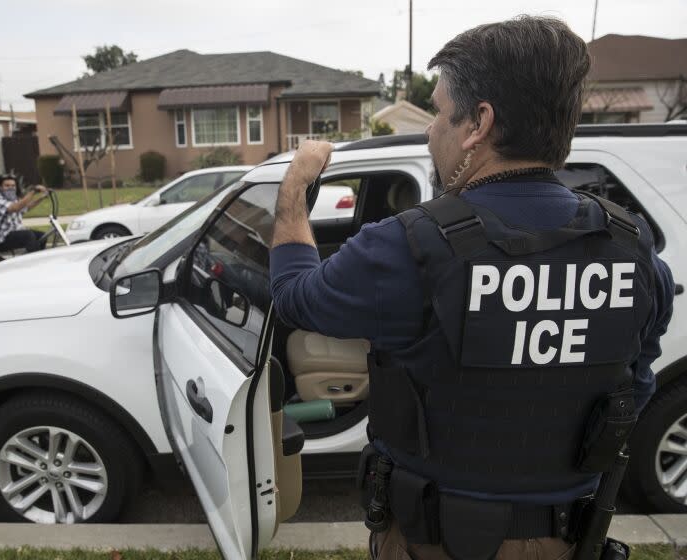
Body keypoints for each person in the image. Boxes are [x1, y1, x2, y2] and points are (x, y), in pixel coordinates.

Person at [270, 16, 674, 560]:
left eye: (438, 111)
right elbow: (637, 381)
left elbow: (294, 293)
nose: (433, 128)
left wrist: (295, 186)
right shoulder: (632, 244)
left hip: (434, 540)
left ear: (478, 123)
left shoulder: (408, 246)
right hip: (566, 539)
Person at [0, 174, 49, 253]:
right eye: (7, 186)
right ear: (0, 187)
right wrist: (33, 191)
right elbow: (15, 208)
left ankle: (35, 259)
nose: (10, 188)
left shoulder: (13, 199)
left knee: (42, 236)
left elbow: (26, 207)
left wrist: (42, 198)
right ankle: (34, 262)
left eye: (13, 186)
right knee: (28, 236)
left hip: (11, 233)